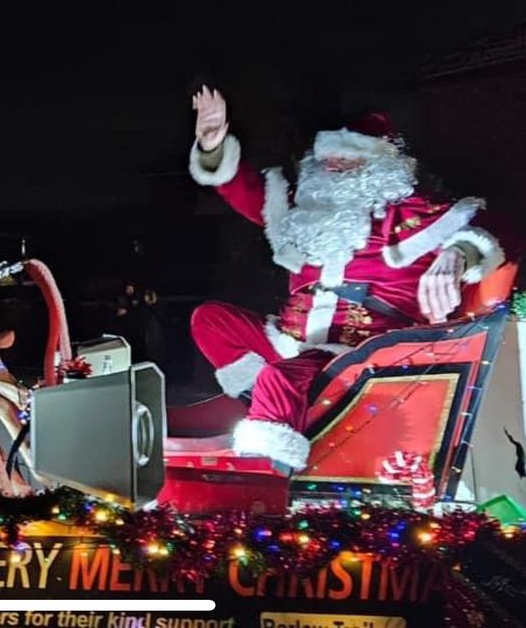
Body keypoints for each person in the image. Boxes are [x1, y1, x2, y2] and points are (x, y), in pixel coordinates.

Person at [187, 87, 508, 473]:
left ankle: (270, 474)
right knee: (210, 320)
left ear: (380, 165)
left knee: (279, 378)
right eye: (327, 158)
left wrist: (458, 253)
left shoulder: (412, 213)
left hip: (358, 353)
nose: (334, 165)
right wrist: (214, 145)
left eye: (348, 157)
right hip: (292, 344)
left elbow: (496, 228)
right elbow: (244, 191)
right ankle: (274, 410)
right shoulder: (303, 212)